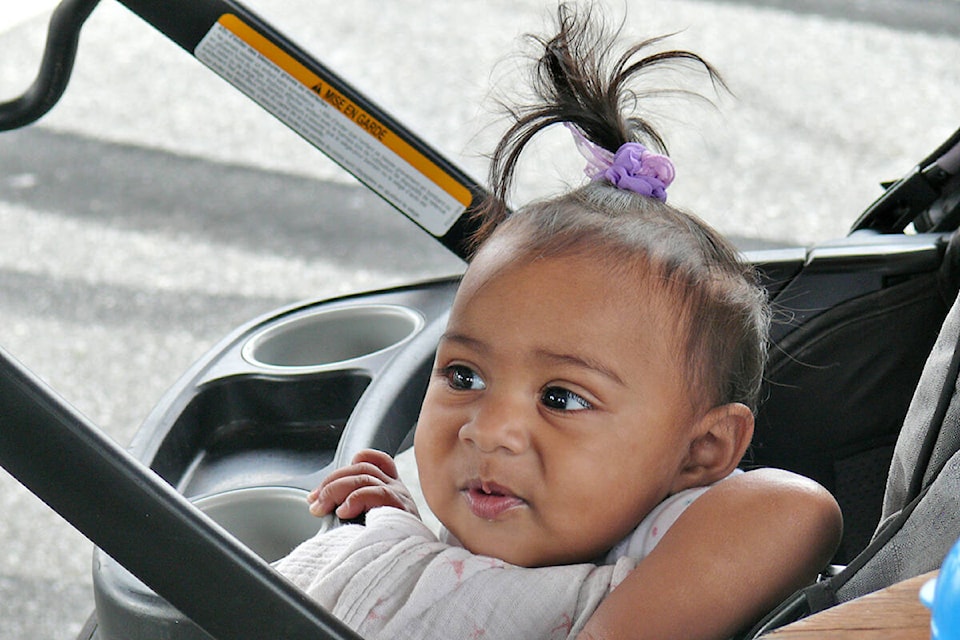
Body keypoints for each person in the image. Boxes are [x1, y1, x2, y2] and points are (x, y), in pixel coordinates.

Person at [275, 4, 842, 639]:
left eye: (561, 397)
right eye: (463, 376)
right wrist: (397, 529)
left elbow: (799, 512)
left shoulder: (646, 552)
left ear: (699, 450)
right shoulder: (465, 514)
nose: (489, 431)